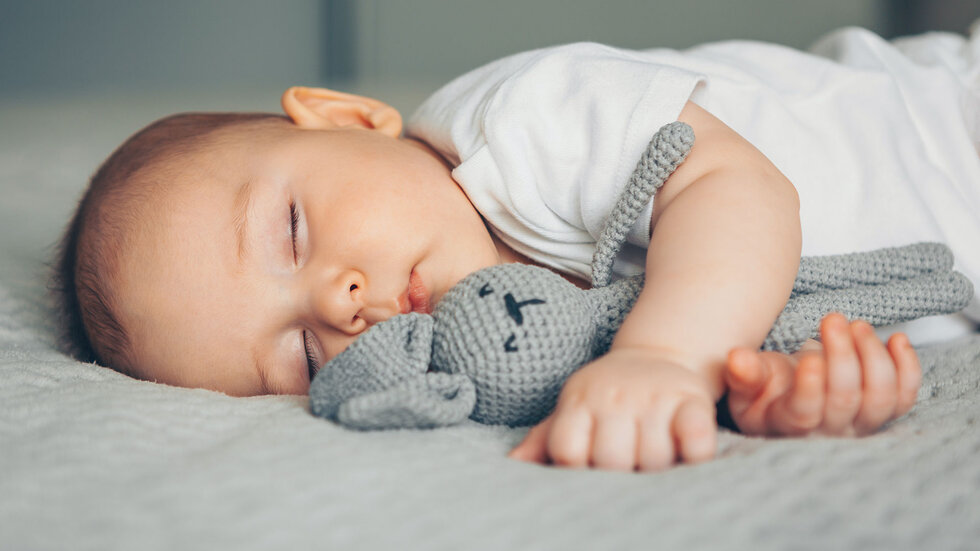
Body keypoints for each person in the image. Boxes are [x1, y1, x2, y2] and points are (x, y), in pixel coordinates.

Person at [53, 25, 979, 472]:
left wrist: (667, 358)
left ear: (350, 120)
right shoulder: (508, 352)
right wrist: (780, 390)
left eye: (292, 231)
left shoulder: (520, 122)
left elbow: (736, 192)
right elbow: (759, 309)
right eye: (299, 352)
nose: (339, 302)